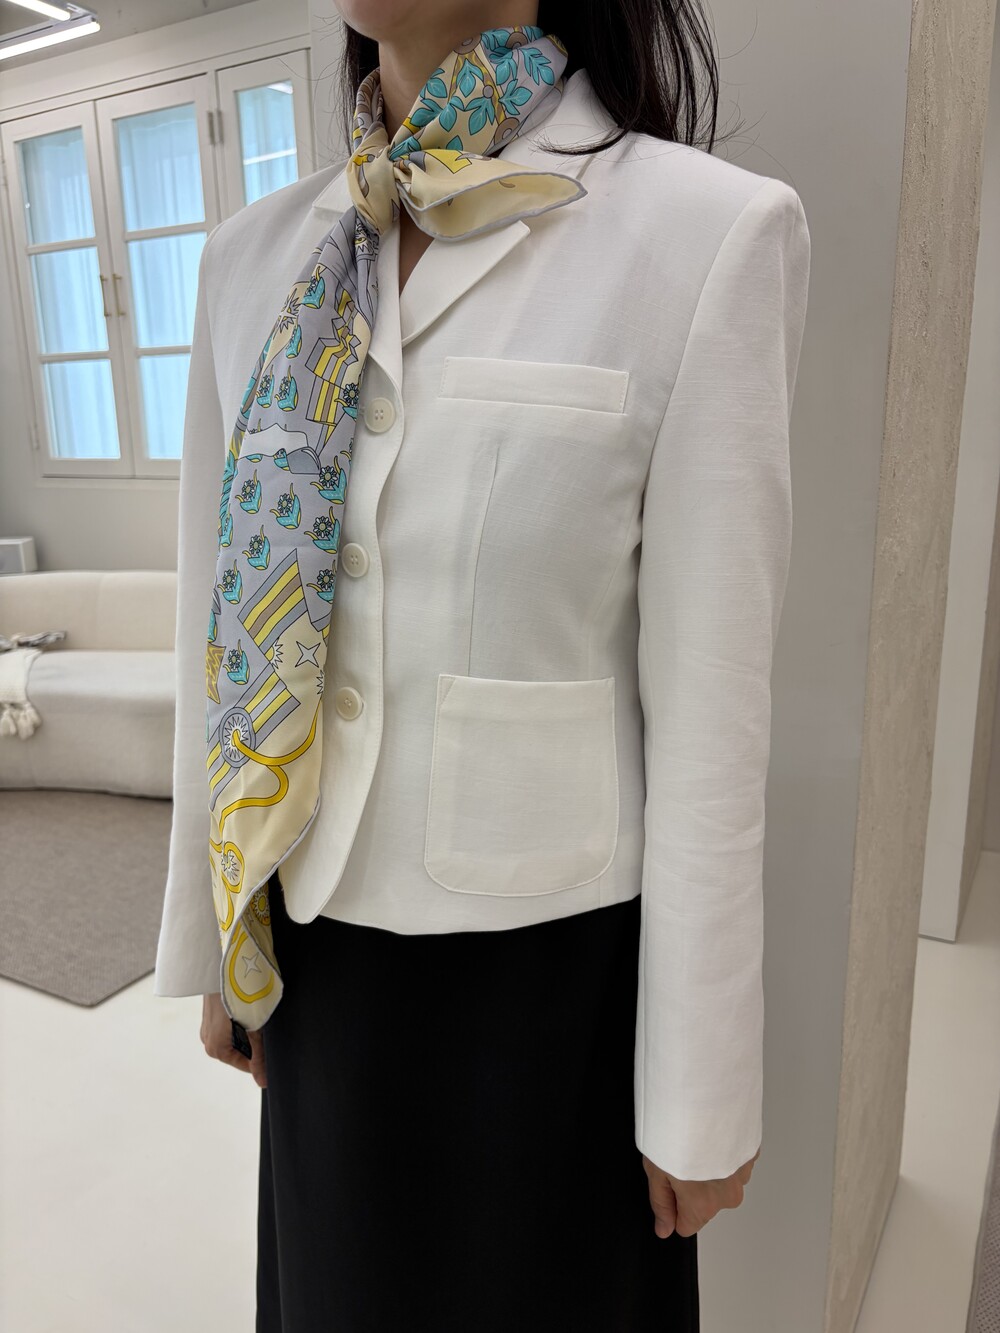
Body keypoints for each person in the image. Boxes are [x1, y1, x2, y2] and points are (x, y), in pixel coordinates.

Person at [153, 2, 811, 1329]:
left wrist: (701, 1089)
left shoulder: (706, 235)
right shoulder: (253, 261)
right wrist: (215, 934)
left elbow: (712, 723)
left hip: (550, 1009)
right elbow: (214, 635)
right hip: (321, 967)